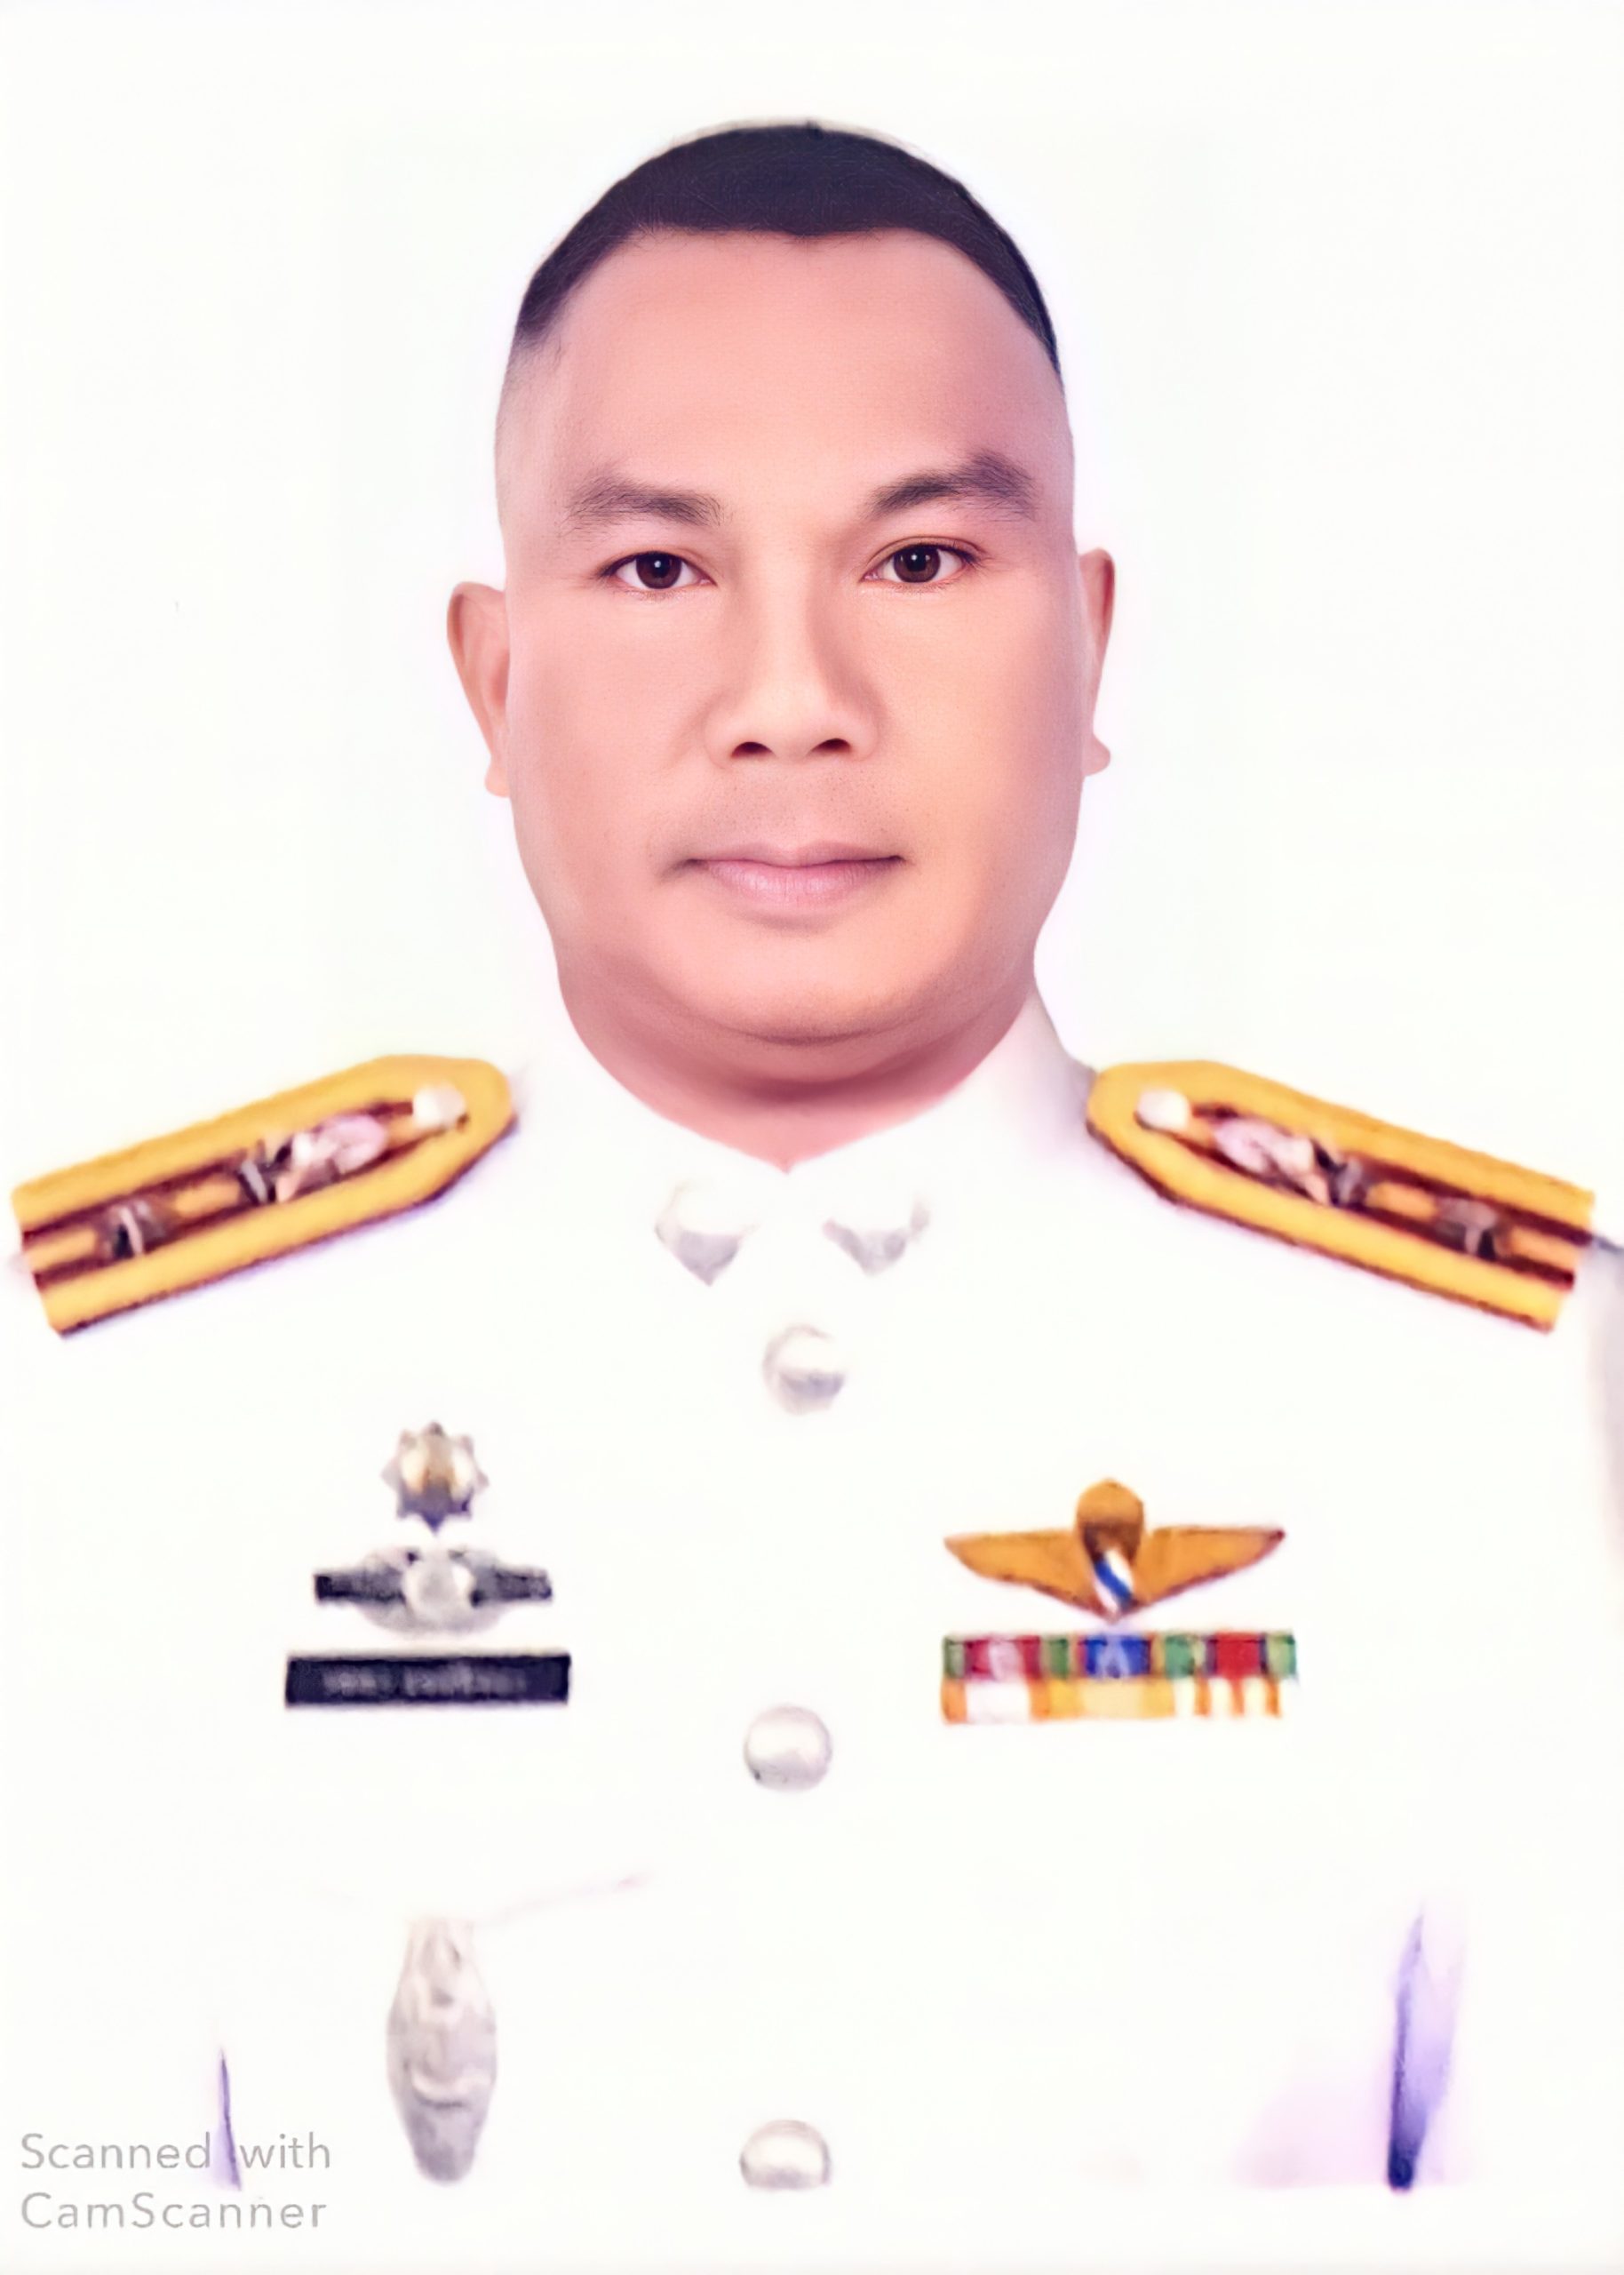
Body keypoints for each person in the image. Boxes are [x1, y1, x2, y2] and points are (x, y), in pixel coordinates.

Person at [7, 118, 1623, 2273]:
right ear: (493, 680)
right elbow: (75, 2212)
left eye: (920, 563)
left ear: (1089, 649)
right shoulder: (132, 1403)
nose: (791, 705)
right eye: (657, 573)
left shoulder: (1480, 1397)